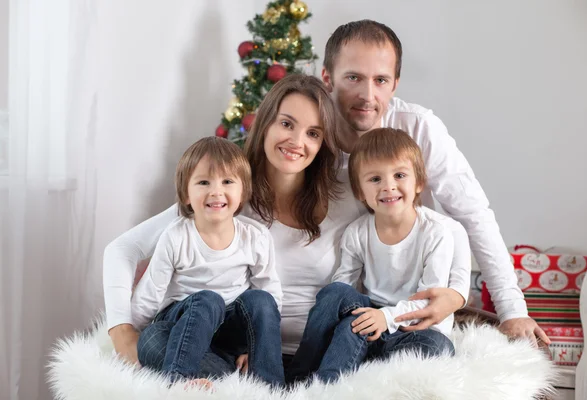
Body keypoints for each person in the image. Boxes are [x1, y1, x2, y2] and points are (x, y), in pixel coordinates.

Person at [102, 74, 364, 377]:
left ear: (322, 143)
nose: (297, 142)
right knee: (157, 342)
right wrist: (121, 330)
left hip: (301, 355)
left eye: (313, 133)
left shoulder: (345, 192)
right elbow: (122, 248)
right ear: (265, 122)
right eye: (287, 124)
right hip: (213, 342)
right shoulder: (225, 191)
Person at [321, 20, 549, 345]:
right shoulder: (308, 132)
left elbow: (473, 214)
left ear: (395, 83)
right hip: (345, 302)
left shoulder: (419, 128)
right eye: (353, 77)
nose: (367, 95)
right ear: (327, 77)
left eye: (381, 80)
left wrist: (512, 311)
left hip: (411, 299)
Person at [287, 128, 462, 383]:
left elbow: (430, 300)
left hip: (413, 328)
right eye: (375, 179)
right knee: (338, 298)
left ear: (419, 183)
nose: (388, 186)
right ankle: (310, 380)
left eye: (400, 175)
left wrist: (387, 317)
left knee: (438, 347)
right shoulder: (357, 232)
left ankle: (369, 367)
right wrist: (364, 316)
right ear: (360, 192)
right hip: (370, 317)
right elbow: (344, 283)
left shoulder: (436, 233)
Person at [131, 137, 284, 386]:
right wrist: (129, 335)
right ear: (186, 195)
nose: (216, 191)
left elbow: (270, 294)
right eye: (203, 182)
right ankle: (180, 382)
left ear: (242, 191)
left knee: (262, 300)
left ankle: (267, 388)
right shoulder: (177, 236)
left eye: (227, 182)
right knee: (204, 303)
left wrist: (251, 348)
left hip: (228, 333)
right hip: (182, 324)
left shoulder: (255, 237)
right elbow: (150, 293)